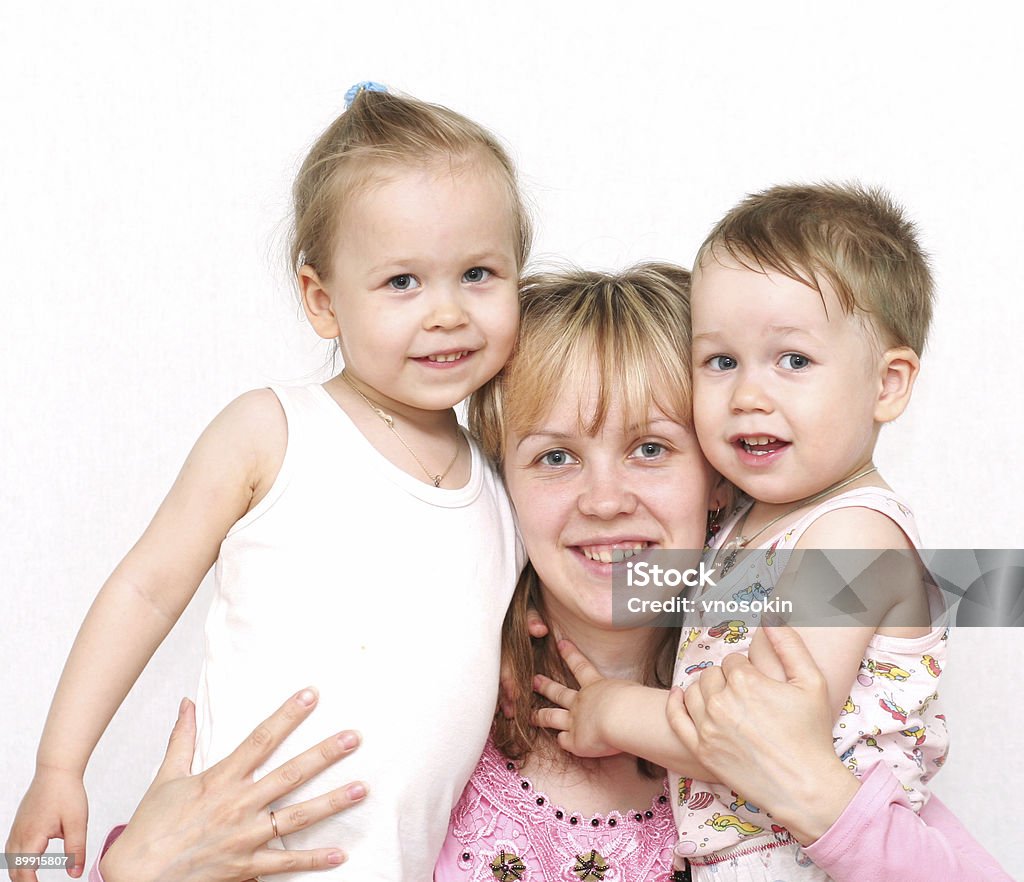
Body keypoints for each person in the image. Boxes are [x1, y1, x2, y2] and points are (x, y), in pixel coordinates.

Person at [83, 266, 1009, 882]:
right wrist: (125, 874)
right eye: (555, 458)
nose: (604, 500)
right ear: (500, 484)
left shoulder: (818, 680)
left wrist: (816, 793)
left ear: (725, 477)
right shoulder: (420, 701)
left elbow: (938, 583)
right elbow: (35, 861)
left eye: (651, 448)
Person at [6, 83, 532, 882]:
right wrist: (59, 764)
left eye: (479, 273)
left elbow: (619, 579)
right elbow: (145, 591)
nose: (448, 312)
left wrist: (793, 579)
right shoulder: (275, 432)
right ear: (323, 302)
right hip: (231, 861)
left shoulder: (502, 476)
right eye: (402, 282)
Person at [534, 183, 949, 879]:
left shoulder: (855, 537)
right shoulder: (748, 524)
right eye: (721, 361)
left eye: (793, 361)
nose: (749, 395)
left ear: (888, 384)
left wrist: (608, 712)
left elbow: (751, 735)